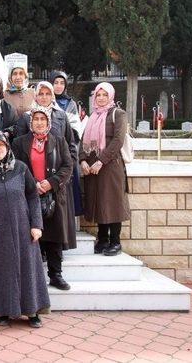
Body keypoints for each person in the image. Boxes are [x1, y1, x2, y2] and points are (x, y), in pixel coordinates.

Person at [0, 130, 50, 327]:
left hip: (23, 229)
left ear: (7, 147)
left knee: (27, 269)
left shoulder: (21, 168)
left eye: (1, 145)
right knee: (0, 271)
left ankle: (32, 312)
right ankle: (2, 311)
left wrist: (36, 225)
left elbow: (33, 196)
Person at [12, 106, 74, 291]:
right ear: (31, 122)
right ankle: (33, 278)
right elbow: (15, 167)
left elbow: (67, 166)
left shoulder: (59, 141)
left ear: (48, 122)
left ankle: (56, 275)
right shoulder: (19, 142)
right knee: (32, 237)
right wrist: (33, 185)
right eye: (36, 119)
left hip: (53, 196)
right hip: (29, 196)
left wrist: (51, 183)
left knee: (54, 237)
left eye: (43, 119)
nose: (39, 122)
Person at [18, 81, 78, 250]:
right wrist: (32, 183)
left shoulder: (61, 116)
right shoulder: (26, 117)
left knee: (56, 228)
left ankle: (55, 271)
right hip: (32, 183)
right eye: (40, 94)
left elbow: (70, 146)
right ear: (35, 96)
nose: (44, 97)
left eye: (47, 94)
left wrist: (58, 179)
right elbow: (22, 152)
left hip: (55, 180)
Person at [80, 82, 130, 256]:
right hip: (93, 168)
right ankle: (102, 240)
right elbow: (82, 142)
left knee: (113, 203)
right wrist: (82, 160)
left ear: (111, 96)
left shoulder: (119, 114)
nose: (101, 98)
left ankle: (115, 242)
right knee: (99, 201)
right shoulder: (92, 117)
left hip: (110, 166)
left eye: (104, 95)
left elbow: (118, 141)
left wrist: (101, 160)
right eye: (98, 95)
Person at [51, 70, 84, 217]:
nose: (58, 86)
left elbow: (76, 128)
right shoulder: (44, 99)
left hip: (65, 147)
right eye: (56, 82)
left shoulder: (70, 103)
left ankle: (70, 214)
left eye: (61, 83)